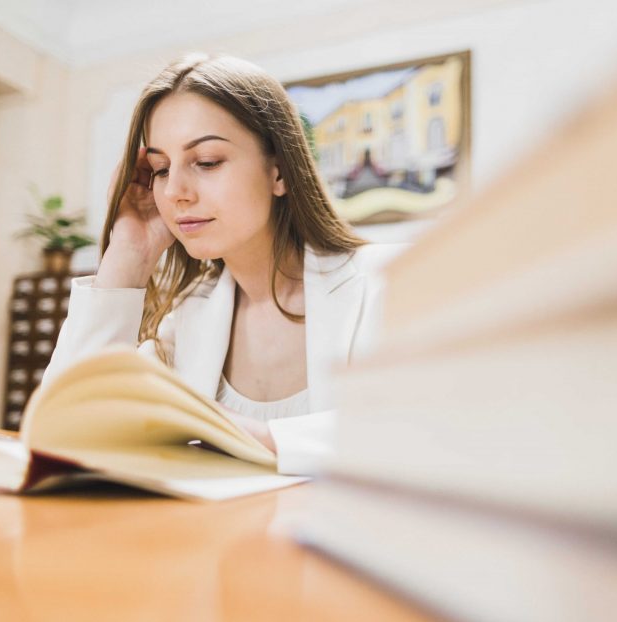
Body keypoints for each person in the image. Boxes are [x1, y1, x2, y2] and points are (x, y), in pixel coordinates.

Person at [44, 53, 405, 475]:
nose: (175, 191)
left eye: (207, 162)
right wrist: (129, 254)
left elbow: (442, 431)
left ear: (279, 171)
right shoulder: (185, 320)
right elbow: (63, 436)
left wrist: (257, 437)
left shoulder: (394, 281)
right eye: (161, 168)